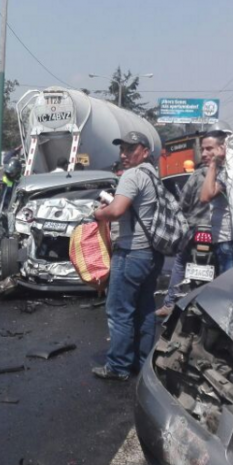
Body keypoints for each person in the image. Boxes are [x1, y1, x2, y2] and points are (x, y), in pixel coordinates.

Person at [91, 131, 163, 382]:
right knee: (144, 310)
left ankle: (119, 366)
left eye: (130, 149)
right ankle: (142, 363)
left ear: (144, 151)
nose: (124, 154)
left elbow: (118, 210)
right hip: (151, 254)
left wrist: (100, 213)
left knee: (119, 310)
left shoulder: (132, 175)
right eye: (122, 149)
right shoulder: (153, 175)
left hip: (131, 253)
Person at [155, 159, 210, 318]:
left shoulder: (196, 175)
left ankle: (170, 303)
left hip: (196, 227)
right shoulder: (225, 175)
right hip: (219, 232)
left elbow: (183, 201)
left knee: (180, 263)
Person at [199, 130, 233, 272]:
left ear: (222, 148)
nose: (203, 154)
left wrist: (213, 163)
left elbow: (205, 196)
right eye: (202, 149)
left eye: (209, 149)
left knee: (229, 288)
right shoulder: (221, 170)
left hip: (229, 240)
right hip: (221, 238)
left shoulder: (229, 171)